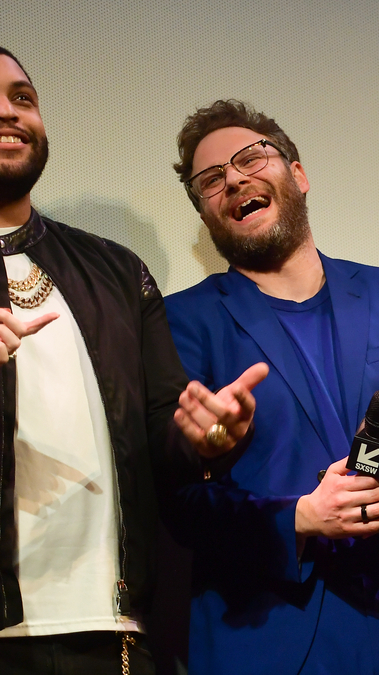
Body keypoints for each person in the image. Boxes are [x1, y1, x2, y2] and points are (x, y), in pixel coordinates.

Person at [163, 100, 379, 675]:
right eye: (210, 180)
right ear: (208, 214)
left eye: (249, 158)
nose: (234, 179)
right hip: (267, 640)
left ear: (299, 174)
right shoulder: (181, 322)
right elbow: (177, 501)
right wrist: (301, 518)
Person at [0, 49, 266, 675]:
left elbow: (160, 434)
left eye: (22, 97)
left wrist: (209, 436)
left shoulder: (117, 271)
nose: (8, 113)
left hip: (111, 629)